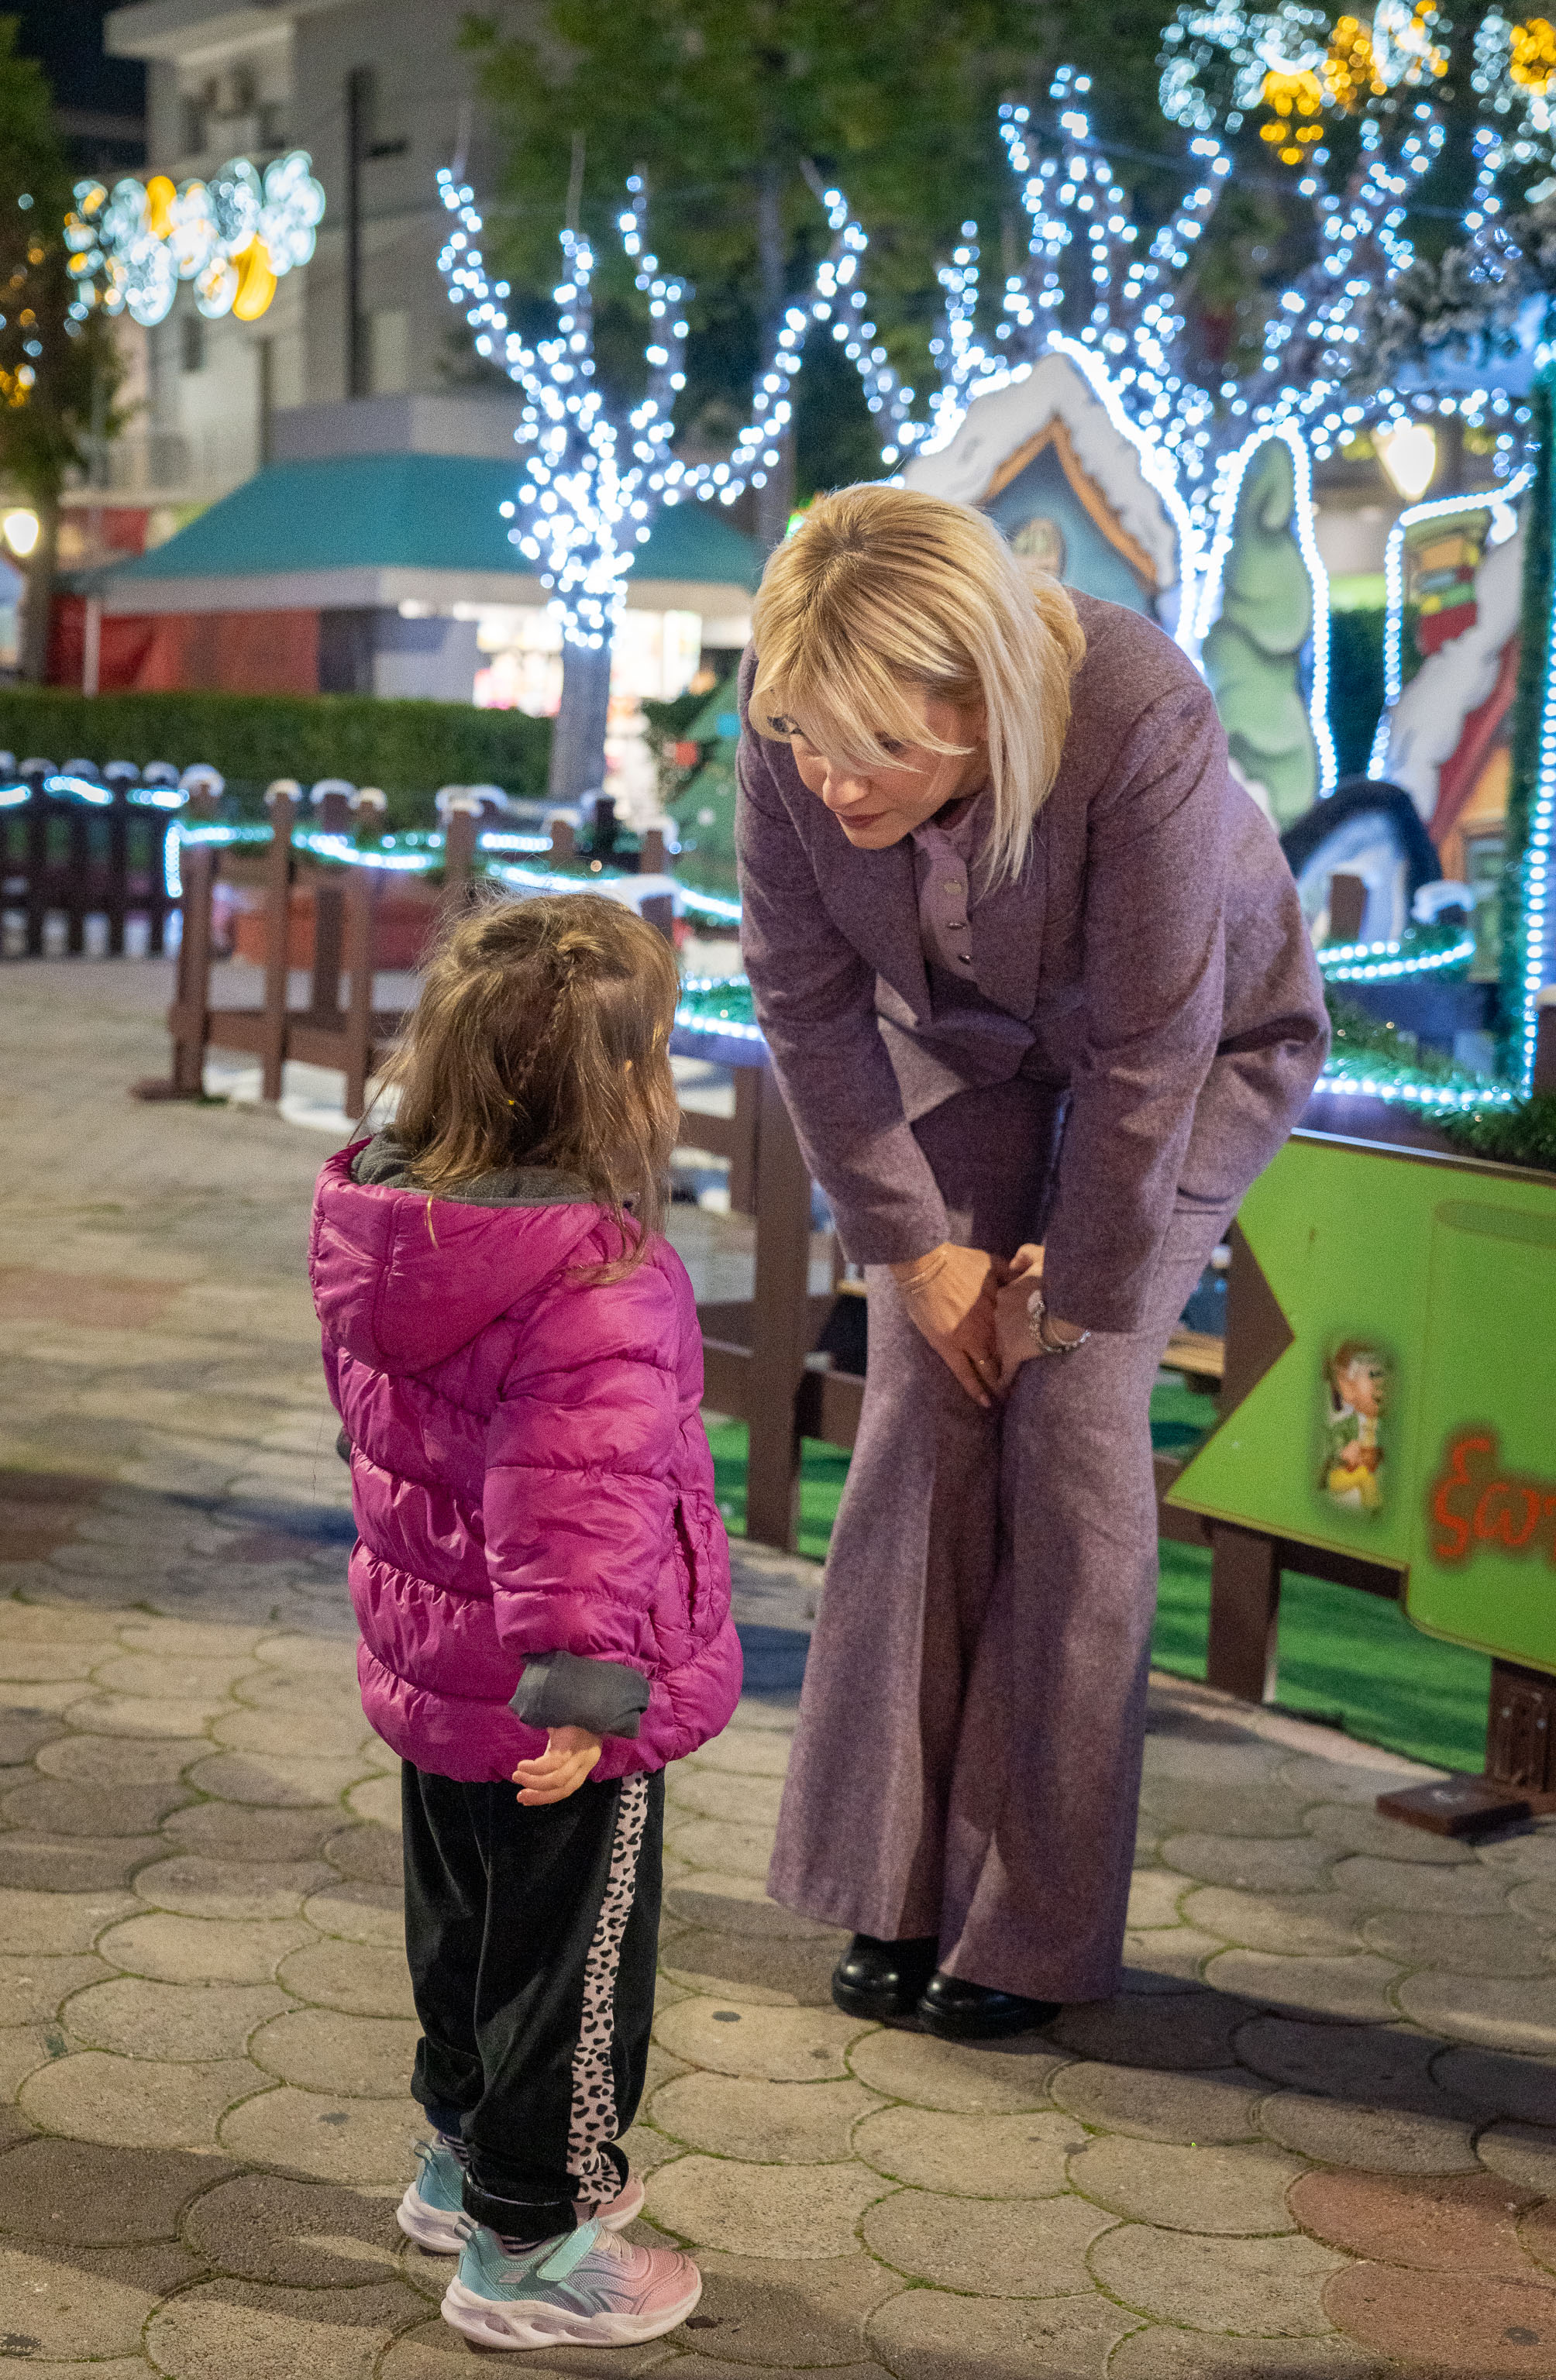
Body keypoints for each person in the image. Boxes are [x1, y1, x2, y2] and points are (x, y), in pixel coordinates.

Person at [737, 483, 1328, 2040]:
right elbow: (806, 1013)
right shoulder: (794, 720)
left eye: (866, 747)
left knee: (1069, 1436)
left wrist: (1068, 1298)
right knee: (920, 1424)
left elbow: (1153, 1053)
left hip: (1186, 1059)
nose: (822, 776)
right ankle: (890, 1886)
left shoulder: (1136, 709)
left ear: (975, 698)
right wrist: (918, 1250)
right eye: (799, 734)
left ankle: (1029, 1927)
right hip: (973, 1059)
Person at [309, 894, 741, 2351]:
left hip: (437, 1667)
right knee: (574, 1963)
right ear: (621, 1090)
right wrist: (583, 1689)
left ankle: (459, 2157)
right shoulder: (595, 1273)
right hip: (563, 1701)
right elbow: (583, 1499)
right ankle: (529, 2240)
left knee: (466, 1926)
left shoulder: (386, 1224)